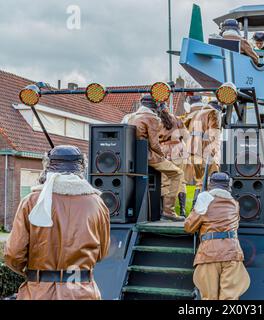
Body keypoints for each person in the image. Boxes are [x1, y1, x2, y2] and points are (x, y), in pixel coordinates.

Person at [4, 145, 110, 300]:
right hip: (82, 292)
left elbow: (14, 254)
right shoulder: (97, 203)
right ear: (81, 168)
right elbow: (101, 253)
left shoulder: (32, 201)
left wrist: (35, 274)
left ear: (47, 167)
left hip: (39, 293)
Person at [184, 172, 250, 300]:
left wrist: (195, 208)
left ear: (210, 185)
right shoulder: (234, 204)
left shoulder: (205, 201)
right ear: (228, 187)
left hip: (209, 254)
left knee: (209, 298)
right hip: (232, 253)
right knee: (229, 298)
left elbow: (189, 227)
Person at [123, 95, 184, 221]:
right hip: (147, 156)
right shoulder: (152, 117)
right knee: (177, 173)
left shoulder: (130, 116)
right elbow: (154, 144)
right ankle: (168, 211)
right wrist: (163, 156)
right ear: (155, 105)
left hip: (131, 156)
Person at [185, 97, 222, 204]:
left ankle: (195, 207)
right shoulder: (214, 112)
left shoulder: (197, 113)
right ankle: (204, 209)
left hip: (192, 151)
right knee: (212, 181)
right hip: (205, 151)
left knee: (200, 181)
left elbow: (186, 125)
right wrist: (214, 152)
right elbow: (214, 134)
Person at [158, 104, 190, 217]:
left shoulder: (157, 120)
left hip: (163, 150)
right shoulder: (177, 119)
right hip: (179, 149)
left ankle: (164, 211)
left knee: (164, 181)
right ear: (167, 108)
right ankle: (182, 210)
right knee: (181, 180)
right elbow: (186, 136)